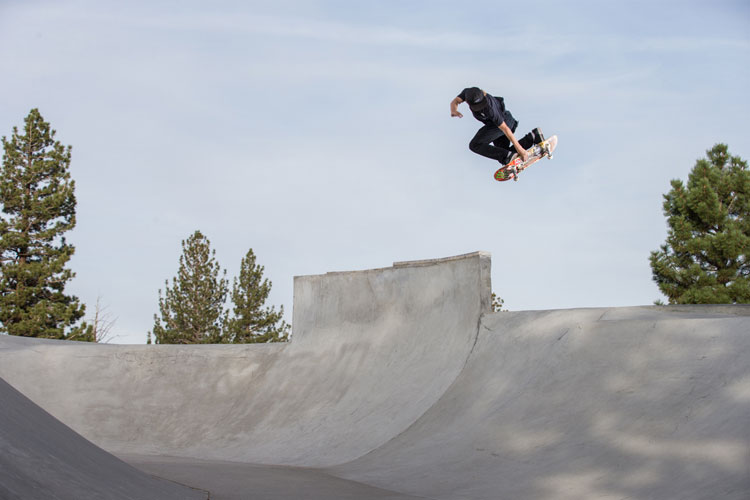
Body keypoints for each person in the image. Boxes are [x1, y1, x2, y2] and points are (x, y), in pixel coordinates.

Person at [450, 87, 543, 167]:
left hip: (503, 123)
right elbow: (455, 101)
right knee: (505, 154)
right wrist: (454, 110)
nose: (479, 108)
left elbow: (505, 129)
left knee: (475, 145)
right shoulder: (467, 93)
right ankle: (533, 137)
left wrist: (521, 150)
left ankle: (509, 155)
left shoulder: (489, 108)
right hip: (498, 125)